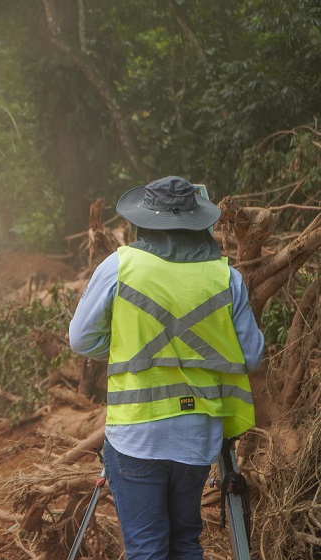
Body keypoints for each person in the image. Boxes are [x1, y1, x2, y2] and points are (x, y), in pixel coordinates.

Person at [68, 176, 265, 560]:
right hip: (197, 436)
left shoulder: (120, 265)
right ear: (198, 222)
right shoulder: (226, 277)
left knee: (147, 548)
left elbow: (80, 340)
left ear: (145, 220)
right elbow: (251, 356)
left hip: (136, 435)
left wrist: (127, 342)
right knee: (186, 543)